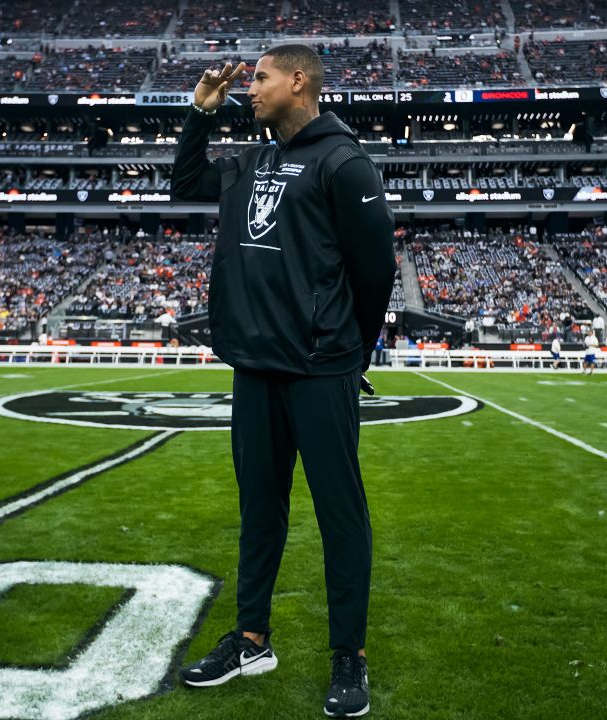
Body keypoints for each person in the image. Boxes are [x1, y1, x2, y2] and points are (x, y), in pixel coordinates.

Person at [172, 47, 395, 718]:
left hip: (320, 370)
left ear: (299, 81)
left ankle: (349, 656)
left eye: (260, 78)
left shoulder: (343, 161)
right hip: (255, 367)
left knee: (340, 517)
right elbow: (186, 185)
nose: (250, 89)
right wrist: (198, 115)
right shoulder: (248, 160)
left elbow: (374, 269)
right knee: (259, 513)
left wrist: (347, 351)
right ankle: (250, 639)